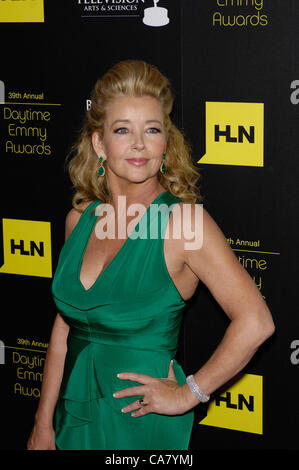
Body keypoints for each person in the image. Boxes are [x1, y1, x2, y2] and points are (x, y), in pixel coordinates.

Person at [27, 60, 275, 450]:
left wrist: (189, 392)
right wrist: (43, 423)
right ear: (99, 143)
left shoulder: (183, 223)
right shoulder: (79, 221)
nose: (139, 143)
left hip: (143, 425)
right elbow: (66, 326)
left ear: (165, 143)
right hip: (73, 418)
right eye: (123, 130)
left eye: (152, 130)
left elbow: (256, 322)